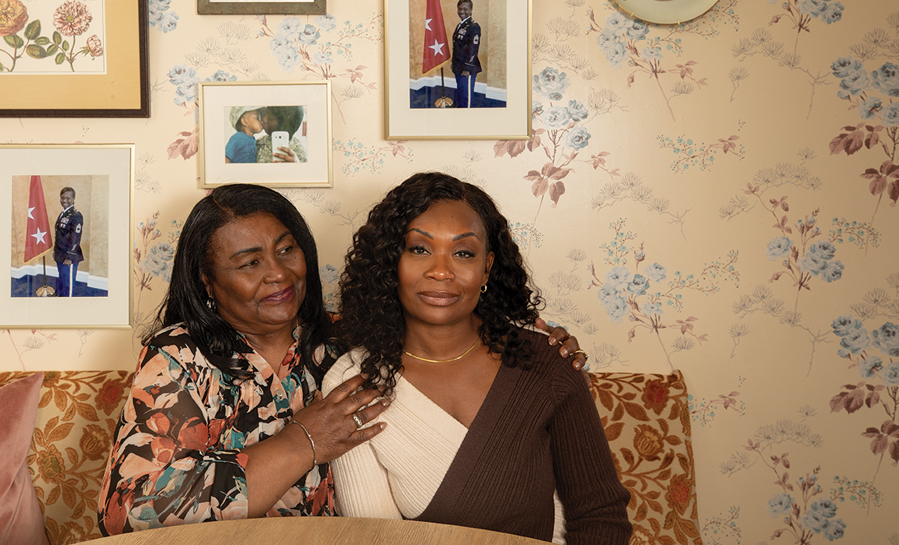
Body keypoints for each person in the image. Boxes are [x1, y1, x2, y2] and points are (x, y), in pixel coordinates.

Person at [98, 184, 588, 534]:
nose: (278, 274)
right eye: (249, 263)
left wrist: (534, 336)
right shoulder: (180, 358)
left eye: (287, 250)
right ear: (207, 282)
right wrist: (303, 442)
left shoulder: (342, 340)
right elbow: (130, 510)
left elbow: (446, 319)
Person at [324, 173, 631, 544]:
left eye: (463, 253)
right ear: (391, 263)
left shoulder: (545, 361)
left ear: (486, 267)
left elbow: (600, 515)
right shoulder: (355, 380)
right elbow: (377, 538)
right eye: (419, 249)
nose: (441, 270)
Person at [53, 186, 84, 297]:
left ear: (73, 199)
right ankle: (61, 299)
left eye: (68, 198)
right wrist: (55, 252)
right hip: (60, 254)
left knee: (68, 283)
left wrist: (69, 257)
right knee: (61, 278)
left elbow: (75, 237)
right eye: (62, 198)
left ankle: (69, 304)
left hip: (69, 256)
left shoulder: (76, 215)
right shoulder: (63, 214)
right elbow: (59, 235)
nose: (65, 201)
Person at [451, 0, 481, 109]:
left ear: (471, 10)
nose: (462, 12)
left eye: (465, 9)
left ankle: (467, 116)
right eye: (460, 9)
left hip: (467, 67)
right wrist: (453, 63)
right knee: (460, 90)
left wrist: (467, 68)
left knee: (466, 95)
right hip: (458, 65)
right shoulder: (460, 25)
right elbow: (457, 46)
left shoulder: (473, 26)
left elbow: (473, 49)